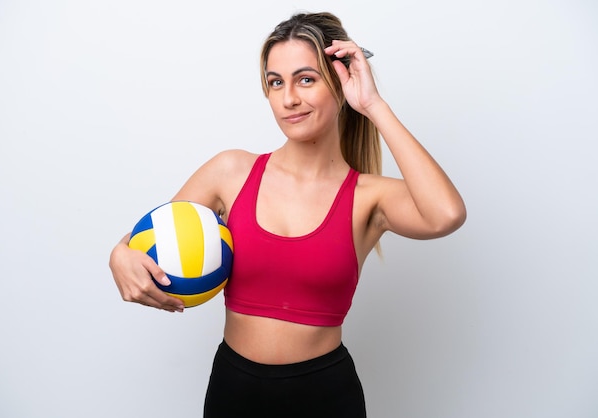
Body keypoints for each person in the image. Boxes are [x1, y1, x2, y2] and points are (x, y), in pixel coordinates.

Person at [109, 11, 466, 418]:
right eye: (276, 82)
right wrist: (118, 253)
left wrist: (372, 104)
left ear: (341, 82)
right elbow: (155, 239)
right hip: (233, 391)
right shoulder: (231, 172)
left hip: (326, 396)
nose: (288, 98)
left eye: (306, 79)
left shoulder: (368, 197)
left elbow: (446, 214)